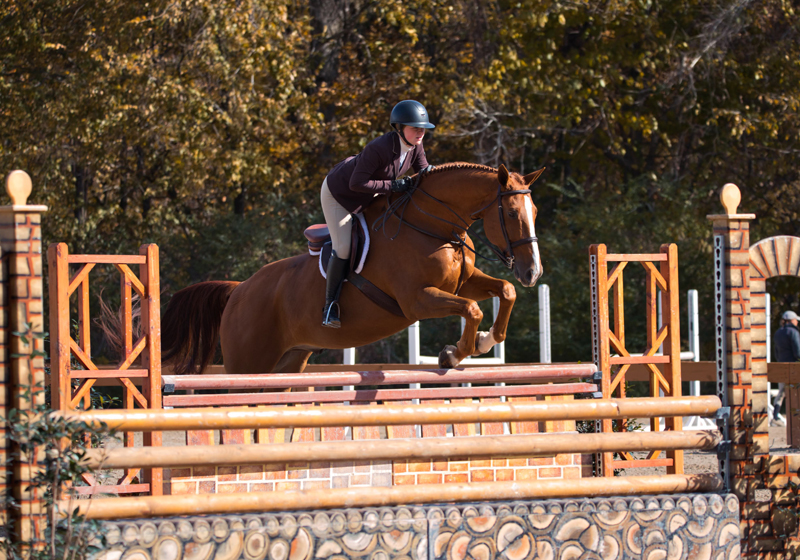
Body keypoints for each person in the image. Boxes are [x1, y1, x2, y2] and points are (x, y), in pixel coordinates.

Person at [319, 100, 436, 328]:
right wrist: (393, 186)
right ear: (399, 128)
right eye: (415, 128)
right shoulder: (379, 147)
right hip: (340, 195)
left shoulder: (415, 145)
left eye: (422, 128)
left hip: (369, 194)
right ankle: (329, 306)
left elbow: (424, 173)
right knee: (343, 247)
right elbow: (356, 183)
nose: (420, 132)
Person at [772, 310, 800, 425]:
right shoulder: (793, 332)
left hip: (781, 366)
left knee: (781, 392)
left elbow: (776, 352)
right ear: (792, 320)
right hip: (793, 366)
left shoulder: (778, 333)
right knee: (795, 391)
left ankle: (775, 415)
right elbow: (798, 352)